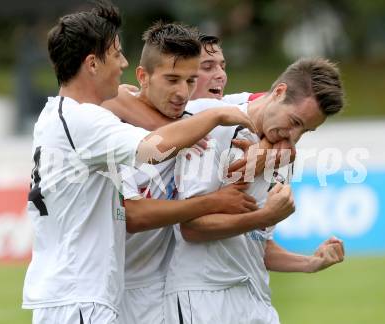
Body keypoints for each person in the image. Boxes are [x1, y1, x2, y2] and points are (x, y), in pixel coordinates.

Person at [21, 2, 257, 323]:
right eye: (116, 54)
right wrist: (214, 116)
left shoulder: (63, 115)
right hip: (79, 297)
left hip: (77, 294)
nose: (123, 64)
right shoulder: (82, 119)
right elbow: (151, 150)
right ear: (92, 64)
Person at [101, 22, 294, 324]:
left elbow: (283, 110)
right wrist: (216, 201)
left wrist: (273, 149)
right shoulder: (116, 125)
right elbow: (133, 216)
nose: (182, 90)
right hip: (114, 288)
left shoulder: (210, 110)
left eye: (190, 80)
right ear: (143, 77)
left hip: (164, 291)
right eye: (173, 79)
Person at [164, 58, 345, 324]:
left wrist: (310, 263)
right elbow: (191, 228)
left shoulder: (282, 155)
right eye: (294, 121)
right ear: (279, 92)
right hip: (203, 298)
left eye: (305, 130)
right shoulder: (214, 127)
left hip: (256, 299)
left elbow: (257, 243)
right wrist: (264, 216)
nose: (293, 137)